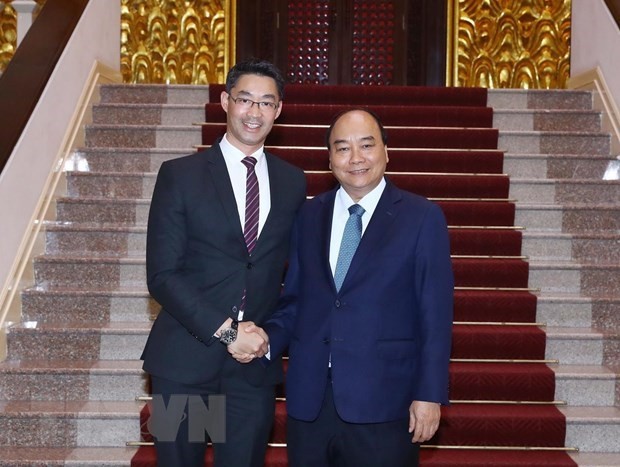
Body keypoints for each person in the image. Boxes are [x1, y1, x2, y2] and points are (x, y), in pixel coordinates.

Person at [247, 109, 454, 466]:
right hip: (310, 402)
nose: (355, 158)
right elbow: (295, 301)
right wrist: (263, 342)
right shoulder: (308, 216)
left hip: (385, 402)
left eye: (366, 145)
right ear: (329, 160)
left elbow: (435, 316)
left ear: (386, 151)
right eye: (342, 148)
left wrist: (429, 394)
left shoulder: (422, 217)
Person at [141, 58, 306, 467]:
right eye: (245, 100)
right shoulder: (181, 175)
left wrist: (265, 337)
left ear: (279, 110)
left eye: (266, 103)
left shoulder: (292, 181)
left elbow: (287, 273)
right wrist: (230, 333)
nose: (255, 112)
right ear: (225, 102)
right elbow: (162, 275)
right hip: (185, 362)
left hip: (252, 371)